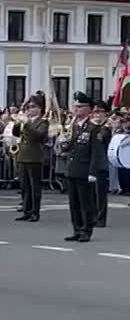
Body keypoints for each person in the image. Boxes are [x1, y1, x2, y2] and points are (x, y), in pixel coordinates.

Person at [60, 92, 97, 242]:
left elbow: (96, 152)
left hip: (84, 169)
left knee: (85, 202)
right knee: (73, 203)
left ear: (89, 109)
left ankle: (86, 230)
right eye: (76, 106)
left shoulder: (93, 128)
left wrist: (93, 171)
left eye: (80, 107)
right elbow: (68, 148)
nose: (77, 109)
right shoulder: (73, 126)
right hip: (72, 168)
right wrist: (63, 141)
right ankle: (76, 228)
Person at [12, 94, 49, 222]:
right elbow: (16, 133)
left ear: (39, 108)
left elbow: (38, 135)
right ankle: (26, 210)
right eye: (28, 107)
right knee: (24, 186)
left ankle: (35, 212)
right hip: (23, 156)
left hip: (34, 157)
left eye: (33, 107)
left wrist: (27, 123)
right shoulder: (26, 121)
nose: (30, 109)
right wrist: (17, 122)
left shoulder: (43, 122)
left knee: (34, 187)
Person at [91, 100, 112, 227]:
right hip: (91, 162)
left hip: (101, 162)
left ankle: (100, 218)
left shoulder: (106, 127)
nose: (97, 114)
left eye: (100, 111)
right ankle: (93, 216)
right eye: (95, 111)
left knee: (100, 193)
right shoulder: (95, 126)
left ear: (106, 113)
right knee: (92, 192)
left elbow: (100, 137)